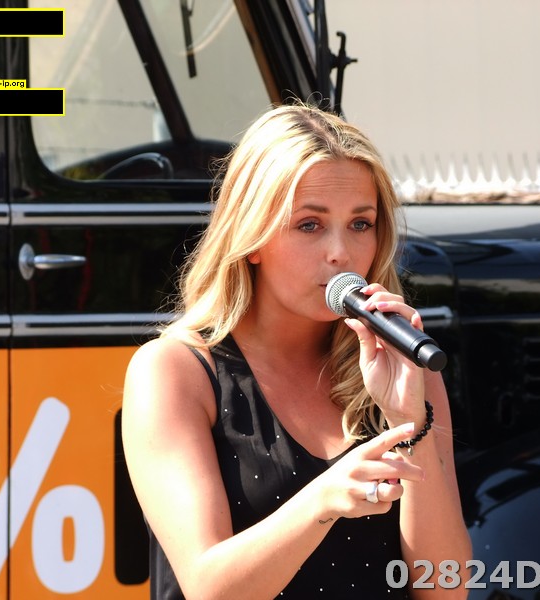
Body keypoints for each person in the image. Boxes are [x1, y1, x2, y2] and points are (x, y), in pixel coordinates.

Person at [121, 102, 472, 599]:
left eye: (361, 224)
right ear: (251, 238)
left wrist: (408, 423)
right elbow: (209, 590)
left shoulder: (404, 362)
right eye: (310, 225)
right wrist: (323, 501)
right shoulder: (173, 372)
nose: (341, 253)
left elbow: (447, 589)